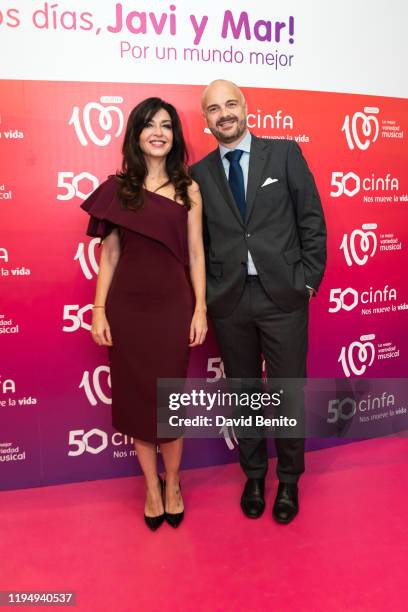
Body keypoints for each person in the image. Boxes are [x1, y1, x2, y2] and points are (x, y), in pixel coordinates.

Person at [190, 80, 326, 524]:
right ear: (206, 119)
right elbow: (201, 243)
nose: (224, 114)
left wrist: (307, 282)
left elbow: (311, 220)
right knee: (244, 393)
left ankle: (288, 479)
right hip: (230, 302)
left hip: (283, 296)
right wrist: (208, 296)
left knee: (287, 393)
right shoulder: (200, 174)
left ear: (246, 108)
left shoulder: (284, 154)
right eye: (214, 108)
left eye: (231, 104)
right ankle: (253, 475)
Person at [81, 97, 207, 531]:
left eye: (167, 126)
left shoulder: (188, 188)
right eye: (149, 125)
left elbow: (195, 254)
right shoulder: (120, 189)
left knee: (168, 404)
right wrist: (99, 310)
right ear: (136, 134)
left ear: (175, 136)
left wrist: (200, 308)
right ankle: (151, 490)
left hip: (173, 307)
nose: (159, 132)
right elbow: (110, 256)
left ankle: (173, 484)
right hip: (128, 309)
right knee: (137, 402)